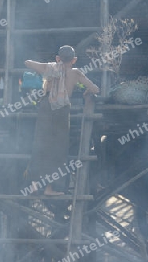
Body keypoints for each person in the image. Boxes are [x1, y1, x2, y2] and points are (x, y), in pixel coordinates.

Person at [25, 45, 99, 196]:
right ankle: (48, 189)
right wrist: (87, 92)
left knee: (40, 144)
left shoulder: (49, 68)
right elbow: (95, 89)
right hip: (62, 110)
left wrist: (51, 66)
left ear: (58, 58)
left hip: (46, 108)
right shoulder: (76, 73)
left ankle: (33, 185)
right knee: (57, 149)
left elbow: (27, 62)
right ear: (74, 60)